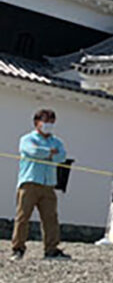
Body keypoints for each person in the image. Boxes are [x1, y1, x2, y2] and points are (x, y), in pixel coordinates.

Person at [11, 109, 70, 260]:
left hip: (49, 184)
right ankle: (18, 248)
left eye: (51, 122)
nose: (49, 125)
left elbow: (62, 157)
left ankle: (51, 249)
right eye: (46, 121)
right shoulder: (27, 139)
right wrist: (50, 153)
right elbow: (32, 151)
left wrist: (48, 153)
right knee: (23, 217)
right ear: (37, 122)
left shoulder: (57, 142)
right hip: (29, 183)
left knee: (51, 218)